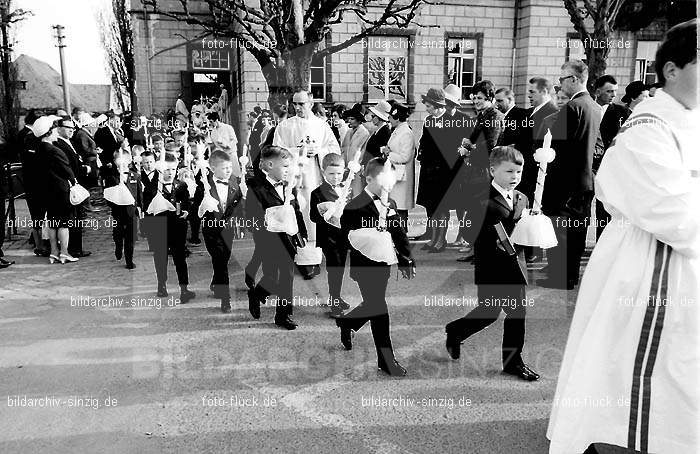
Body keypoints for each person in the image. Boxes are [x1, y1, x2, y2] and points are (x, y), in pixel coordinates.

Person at [547, 19, 699, 454]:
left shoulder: (688, 122)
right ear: (672, 70)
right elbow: (674, 216)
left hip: (678, 264)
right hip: (650, 264)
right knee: (631, 367)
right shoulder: (649, 127)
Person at [445, 146, 538, 381]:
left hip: (515, 265)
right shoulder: (481, 198)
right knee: (489, 312)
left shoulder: (522, 197)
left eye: (518, 172)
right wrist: (490, 238)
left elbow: (523, 229)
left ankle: (512, 362)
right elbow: (468, 231)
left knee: (517, 312)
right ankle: (455, 330)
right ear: (492, 170)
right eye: (509, 172)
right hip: (492, 267)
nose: (514, 178)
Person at [335, 157, 416, 376]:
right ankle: (386, 361)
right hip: (364, 267)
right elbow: (346, 238)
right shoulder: (354, 206)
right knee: (380, 310)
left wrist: (406, 260)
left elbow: (399, 233)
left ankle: (348, 322)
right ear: (369, 178)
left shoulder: (390, 203)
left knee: (373, 305)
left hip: (383, 265)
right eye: (383, 177)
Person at [539, 60, 601, 290]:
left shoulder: (572, 108)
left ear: (574, 79)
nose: (560, 83)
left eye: (562, 78)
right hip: (585, 182)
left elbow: (553, 146)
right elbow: (599, 147)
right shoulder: (594, 107)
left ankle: (561, 277)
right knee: (577, 232)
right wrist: (590, 170)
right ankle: (571, 276)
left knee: (561, 232)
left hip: (565, 182)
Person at [273, 90, 341, 280]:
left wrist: (318, 150)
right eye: (295, 104)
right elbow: (276, 151)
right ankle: (300, 257)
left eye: (302, 104)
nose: (297, 108)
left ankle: (314, 259)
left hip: (314, 179)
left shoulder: (321, 125)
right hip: (294, 180)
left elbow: (334, 150)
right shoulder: (285, 126)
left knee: (314, 217)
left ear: (311, 103)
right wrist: (297, 151)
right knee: (297, 216)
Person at [245, 145, 307, 330]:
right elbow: (250, 217)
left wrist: (300, 233)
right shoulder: (256, 188)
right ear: (270, 165)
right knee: (272, 277)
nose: (289, 170)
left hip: (287, 237)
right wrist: (265, 225)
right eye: (285, 166)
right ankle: (256, 294)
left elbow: (295, 211)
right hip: (267, 238)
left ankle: (283, 315)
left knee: (286, 276)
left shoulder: (289, 186)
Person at [457, 81, 504, 261]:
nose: (476, 101)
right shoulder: (483, 115)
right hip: (478, 169)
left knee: (481, 211)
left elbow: (491, 145)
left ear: (490, 98)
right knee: (476, 210)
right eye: (474, 97)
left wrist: (469, 148)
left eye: (480, 98)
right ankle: (476, 249)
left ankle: (482, 251)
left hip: (487, 170)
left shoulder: (494, 116)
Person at [198, 150, 244, 313]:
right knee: (219, 260)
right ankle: (226, 299)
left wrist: (241, 223)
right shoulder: (204, 184)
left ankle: (216, 282)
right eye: (224, 168)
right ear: (212, 168)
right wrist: (202, 206)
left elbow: (238, 207)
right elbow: (196, 208)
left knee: (223, 260)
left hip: (228, 229)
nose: (228, 171)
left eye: (230, 167)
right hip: (211, 230)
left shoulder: (235, 183)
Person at [148, 153, 196, 302]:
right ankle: (161, 285)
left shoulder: (180, 185)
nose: (170, 172)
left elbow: (186, 202)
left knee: (180, 258)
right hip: (159, 227)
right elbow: (146, 206)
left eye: (173, 169)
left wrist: (186, 211)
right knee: (160, 257)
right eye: (167, 169)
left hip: (177, 226)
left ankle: (184, 288)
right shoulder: (152, 186)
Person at [593, 77, 636, 240]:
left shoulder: (621, 112)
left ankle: (601, 241)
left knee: (605, 208)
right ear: (597, 91)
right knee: (581, 210)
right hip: (588, 167)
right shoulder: (587, 109)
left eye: (615, 92)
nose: (613, 95)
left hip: (609, 168)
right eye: (609, 91)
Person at [310, 153, 351, 317]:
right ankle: (334, 301)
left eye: (339, 173)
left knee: (340, 268)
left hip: (343, 235)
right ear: (323, 172)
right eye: (331, 174)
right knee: (334, 268)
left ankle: (337, 296)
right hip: (328, 237)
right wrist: (326, 212)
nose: (335, 177)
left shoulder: (347, 189)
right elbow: (313, 216)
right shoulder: (317, 193)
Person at [32, 115, 78, 264]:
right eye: (54, 129)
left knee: (52, 222)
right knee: (64, 223)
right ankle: (64, 253)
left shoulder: (38, 149)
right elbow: (67, 171)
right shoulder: (55, 150)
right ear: (48, 132)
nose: (56, 132)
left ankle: (54, 252)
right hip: (61, 191)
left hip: (47, 191)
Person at [416, 88, 453, 253]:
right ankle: (434, 238)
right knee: (431, 207)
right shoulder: (429, 120)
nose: (426, 107)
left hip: (443, 173)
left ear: (438, 105)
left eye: (429, 105)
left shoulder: (450, 121)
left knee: (441, 207)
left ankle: (441, 239)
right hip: (428, 170)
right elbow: (424, 142)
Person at [54, 117, 91, 258]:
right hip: (70, 185)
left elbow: (78, 158)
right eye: (68, 128)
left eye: (73, 128)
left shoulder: (70, 142)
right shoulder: (59, 144)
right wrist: (84, 169)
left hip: (77, 183)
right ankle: (74, 248)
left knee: (78, 217)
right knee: (73, 218)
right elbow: (69, 166)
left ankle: (77, 247)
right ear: (59, 128)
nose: (71, 130)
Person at [18, 110, 50, 257]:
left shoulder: (31, 138)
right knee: (38, 214)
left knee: (38, 214)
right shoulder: (31, 138)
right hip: (35, 182)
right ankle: (39, 245)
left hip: (33, 181)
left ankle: (40, 243)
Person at [105, 150, 141, 270]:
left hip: (132, 211)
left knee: (131, 237)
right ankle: (118, 246)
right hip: (118, 212)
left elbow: (139, 194)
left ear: (129, 161)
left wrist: (141, 208)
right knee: (118, 234)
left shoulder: (135, 176)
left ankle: (129, 260)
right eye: (119, 161)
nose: (122, 164)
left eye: (125, 161)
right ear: (115, 162)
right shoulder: (111, 177)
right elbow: (108, 195)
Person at [384, 101, 415, 229]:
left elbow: (405, 157)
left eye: (390, 117)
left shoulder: (406, 133)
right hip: (396, 175)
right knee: (395, 206)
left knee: (400, 208)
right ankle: (398, 234)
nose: (389, 120)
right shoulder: (398, 130)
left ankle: (401, 234)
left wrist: (388, 154)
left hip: (402, 176)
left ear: (397, 117)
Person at [339, 104, 370, 197]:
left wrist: (355, 166)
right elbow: (343, 149)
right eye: (349, 118)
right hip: (345, 169)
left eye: (352, 119)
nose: (349, 121)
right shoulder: (349, 131)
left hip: (357, 169)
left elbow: (362, 152)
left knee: (357, 194)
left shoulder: (364, 133)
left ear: (359, 120)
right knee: (346, 195)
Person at [495, 88, 529, 152]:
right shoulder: (501, 117)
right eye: (496, 101)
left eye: (499, 101)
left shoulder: (522, 115)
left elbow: (525, 140)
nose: (496, 104)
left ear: (510, 100)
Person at [208, 112, 240, 176]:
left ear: (216, 120)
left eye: (211, 121)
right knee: (225, 174)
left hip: (231, 153)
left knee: (235, 172)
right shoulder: (213, 132)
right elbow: (214, 144)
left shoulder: (228, 127)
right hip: (222, 155)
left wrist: (228, 146)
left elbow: (234, 140)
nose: (210, 123)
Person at [362, 100, 392, 165]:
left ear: (379, 117)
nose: (372, 119)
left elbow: (382, 152)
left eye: (373, 116)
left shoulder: (385, 132)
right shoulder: (378, 130)